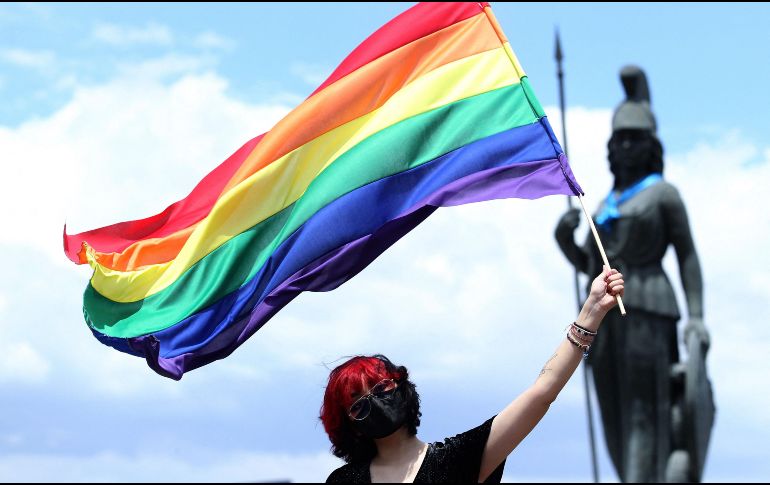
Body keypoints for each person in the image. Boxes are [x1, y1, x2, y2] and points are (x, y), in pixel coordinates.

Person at [321, 268, 625, 483]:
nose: (373, 401)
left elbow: (542, 393)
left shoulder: (457, 461)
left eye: (380, 386)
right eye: (357, 403)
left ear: (401, 388)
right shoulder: (344, 481)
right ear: (348, 424)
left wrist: (592, 312)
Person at [554, 66, 710, 482]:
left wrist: (696, 317)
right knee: (613, 410)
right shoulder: (606, 202)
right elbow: (591, 266)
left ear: (650, 145)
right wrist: (565, 240)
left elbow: (688, 256)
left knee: (643, 410)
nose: (624, 147)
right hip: (603, 321)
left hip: (649, 307)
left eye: (633, 139)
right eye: (618, 140)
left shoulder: (663, 194)